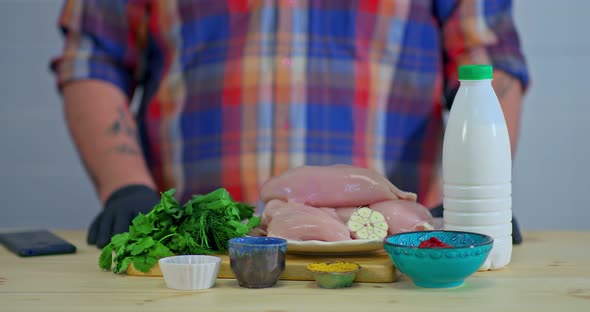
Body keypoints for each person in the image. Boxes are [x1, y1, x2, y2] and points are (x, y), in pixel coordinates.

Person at [50, 0, 529, 248]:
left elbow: (486, 63)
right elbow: (95, 57)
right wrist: (125, 188)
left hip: (391, 260)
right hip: (198, 260)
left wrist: (472, 198)